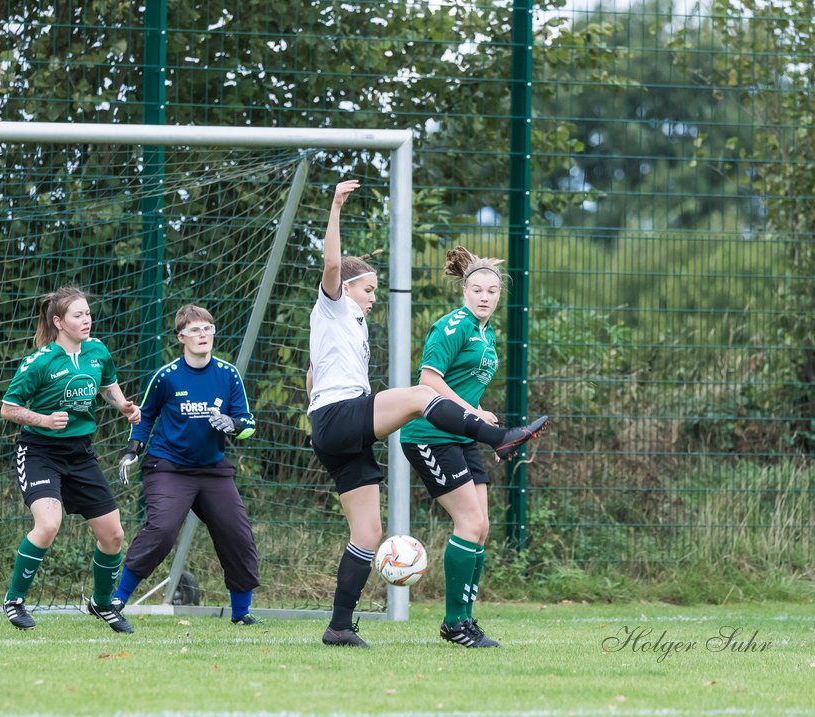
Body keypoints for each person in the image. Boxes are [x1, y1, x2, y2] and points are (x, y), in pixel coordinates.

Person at [310, 179, 548, 648]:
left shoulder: (352, 326)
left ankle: (338, 626)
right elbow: (334, 263)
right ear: (346, 288)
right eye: (369, 289)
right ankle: (496, 436)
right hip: (340, 416)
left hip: (339, 429)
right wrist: (335, 206)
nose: (374, 296)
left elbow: (313, 371)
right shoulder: (333, 304)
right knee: (420, 396)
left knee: (368, 532)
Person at [0, 286, 141, 633]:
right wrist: (44, 420)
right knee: (48, 525)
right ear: (59, 322)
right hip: (40, 452)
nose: (87, 319)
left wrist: (121, 405)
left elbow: (108, 385)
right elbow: (8, 409)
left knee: (113, 535)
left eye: (88, 313)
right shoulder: (41, 361)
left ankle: (102, 604)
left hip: (80, 453)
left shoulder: (97, 351)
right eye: (78, 315)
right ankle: (14, 600)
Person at [110, 304, 262, 624]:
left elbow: (248, 423)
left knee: (237, 535)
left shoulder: (228, 374)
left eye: (208, 328)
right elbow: (146, 414)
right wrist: (133, 449)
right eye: (195, 330)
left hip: (212, 470)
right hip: (168, 467)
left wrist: (232, 425)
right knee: (163, 530)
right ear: (181, 337)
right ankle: (116, 601)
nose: (203, 334)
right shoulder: (166, 376)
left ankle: (241, 613)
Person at [399, 246, 508, 648]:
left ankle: (466, 619)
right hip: (430, 436)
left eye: (492, 291)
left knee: (482, 528)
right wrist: (471, 413)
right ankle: (454, 624)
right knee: (469, 524)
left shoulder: (486, 331)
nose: (484, 296)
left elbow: (461, 387)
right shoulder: (453, 325)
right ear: (464, 291)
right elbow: (429, 380)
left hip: (463, 434)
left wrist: (480, 411)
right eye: (477, 289)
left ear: (499, 295)